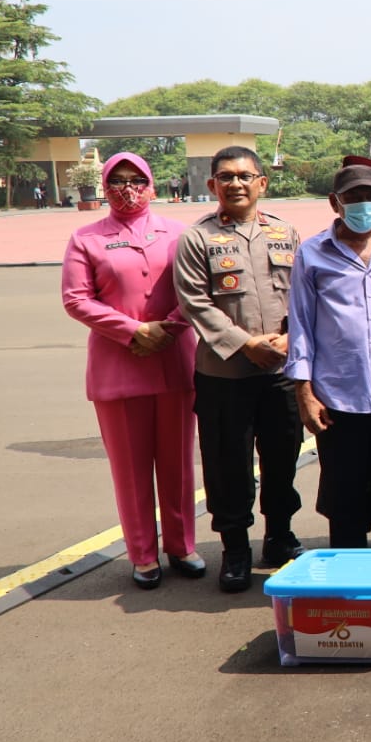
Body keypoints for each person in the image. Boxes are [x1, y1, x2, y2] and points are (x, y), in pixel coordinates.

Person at [61, 152, 202, 589]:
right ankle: (142, 553)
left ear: (152, 183)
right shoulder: (86, 238)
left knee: (178, 465)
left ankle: (181, 545)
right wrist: (134, 330)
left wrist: (169, 328)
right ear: (104, 186)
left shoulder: (179, 234)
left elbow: (196, 289)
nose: (128, 187)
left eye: (136, 179)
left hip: (175, 360)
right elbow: (76, 298)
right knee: (131, 468)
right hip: (118, 368)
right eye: (118, 180)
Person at [173, 146, 305, 592]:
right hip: (224, 376)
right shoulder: (197, 238)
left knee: (283, 457)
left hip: (281, 371)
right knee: (228, 464)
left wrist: (290, 340)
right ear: (212, 185)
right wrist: (246, 344)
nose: (236, 184)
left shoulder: (286, 233)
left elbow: (304, 299)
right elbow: (196, 303)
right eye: (225, 177)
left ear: (262, 183)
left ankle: (279, 536)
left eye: (245, 176)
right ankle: (234, 548)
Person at [284, 159, 371, 549]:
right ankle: (351, 592)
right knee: (345, 500)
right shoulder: (312, 254)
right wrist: (304, 392)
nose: (363, 204)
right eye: (353, 197)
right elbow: (300, 325)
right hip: (338, 399)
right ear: (335, 203)